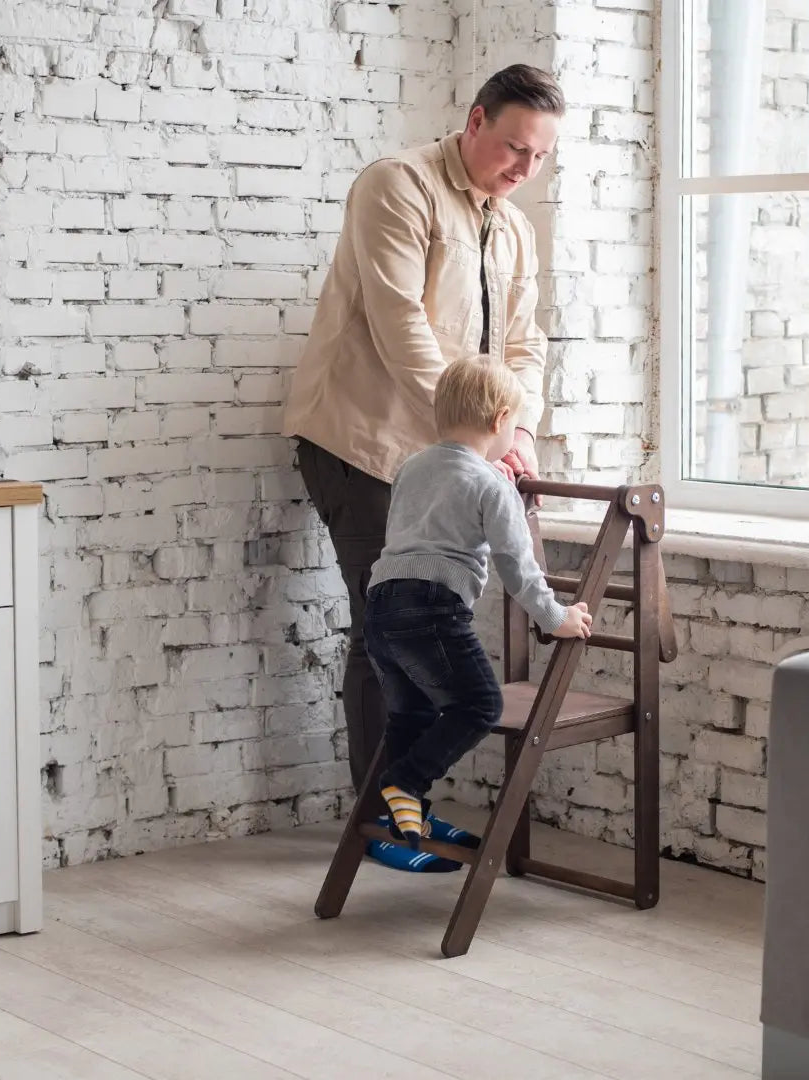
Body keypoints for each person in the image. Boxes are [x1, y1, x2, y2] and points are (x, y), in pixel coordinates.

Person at [282, 65, 565, 870]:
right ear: (474, 122)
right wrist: (486, 430)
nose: (524, 169)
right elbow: (401, 325)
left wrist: (521, 428)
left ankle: (405, 805)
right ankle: (380, 823)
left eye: (540, 157)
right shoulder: (395, 186)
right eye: (514, 147)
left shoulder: (512, 227)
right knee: (386, 634)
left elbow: (525, 342)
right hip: (363, 443)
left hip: (453, 453)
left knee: (418, 634)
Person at [367, 358, 592, 853]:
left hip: (382, 605)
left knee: (411, 713)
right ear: (499, 422)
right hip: (433, 608)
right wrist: (558, 618)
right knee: (480, 705)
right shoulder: (493, 486)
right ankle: (405, 781)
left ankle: (409, 818)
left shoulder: (412, 468)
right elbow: (519, 567)